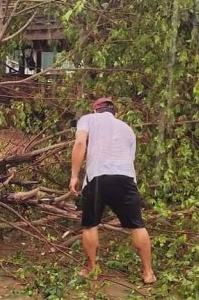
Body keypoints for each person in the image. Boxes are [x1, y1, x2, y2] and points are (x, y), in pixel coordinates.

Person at [69, 97, 156, 283]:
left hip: (97, 177)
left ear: (95, 111)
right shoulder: (127, 129)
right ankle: (148, 273)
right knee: (137, 225)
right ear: (114, 113)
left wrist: (74, 176)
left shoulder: (87, 119)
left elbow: (79, 144)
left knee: (90, 224)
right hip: (125, 177)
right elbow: (130, 159)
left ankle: (92, 268)